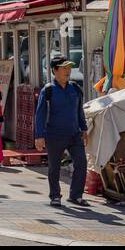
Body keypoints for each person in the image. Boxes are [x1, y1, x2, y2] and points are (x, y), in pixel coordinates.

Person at [35, 56, 89, 206]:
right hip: (54, 135)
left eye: (69, 68)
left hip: (74, 134)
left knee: (81, 162)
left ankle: (76, 195)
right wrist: (39, 135)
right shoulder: (48, 90)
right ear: (54, 70)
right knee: (54, 167)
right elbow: (40, 114)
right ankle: (55, 196)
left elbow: (79, 111)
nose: (68, 71)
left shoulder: (76, 88)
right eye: (64, 68)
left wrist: (84, 128)